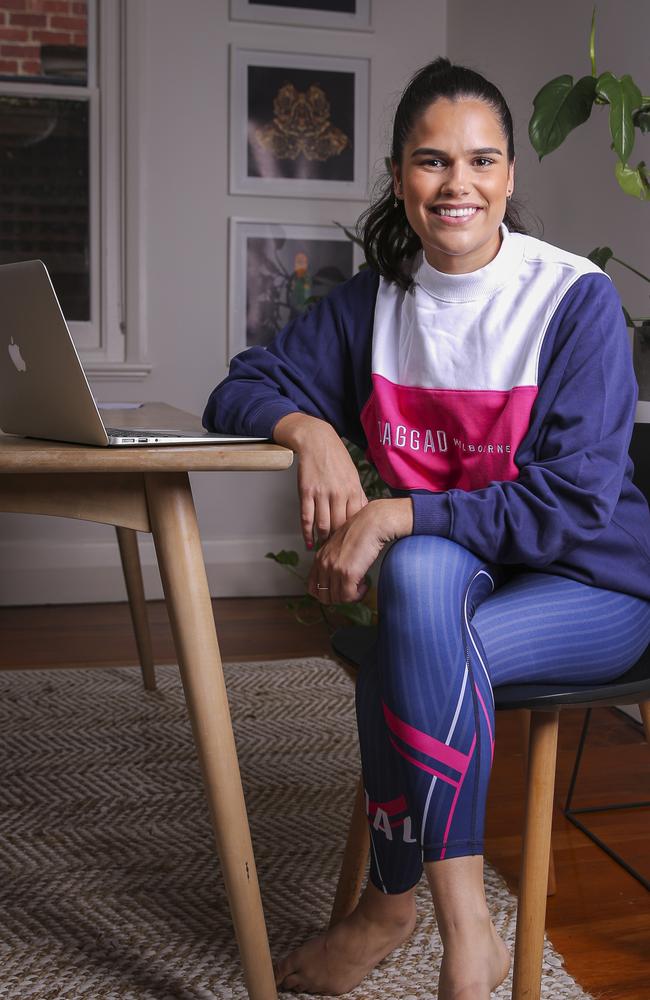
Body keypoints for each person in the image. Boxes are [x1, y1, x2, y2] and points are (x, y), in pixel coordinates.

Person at [203, 58, 650, 999]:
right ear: (400, 175)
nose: (459, 186)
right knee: (420, 585)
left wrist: (396, 510)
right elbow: (237, 385)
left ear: (511, 178)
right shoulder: (378, 301)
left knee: (414, 617)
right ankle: (462, 930)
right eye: (432, 161)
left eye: (483, 161)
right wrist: (310, 429)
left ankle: (392, 906)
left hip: (594, 583)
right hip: (458, 573)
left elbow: (573, 505)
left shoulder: (573, 303)